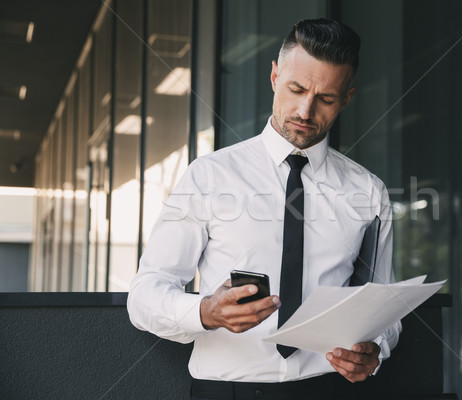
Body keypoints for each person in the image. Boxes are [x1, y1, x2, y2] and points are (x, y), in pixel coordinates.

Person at [127, 18, 401, 400]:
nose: (306, 111)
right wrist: (204, 312)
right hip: (226, 391)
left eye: (326, 99)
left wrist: (376, 350)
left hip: (329, 391)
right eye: (296, 89)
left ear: (347, 98)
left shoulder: (368, 191)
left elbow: (384, 307)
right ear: (275, 77)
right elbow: (143, 297)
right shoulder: (209, 176)